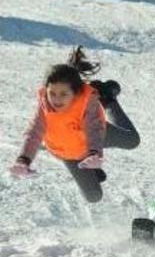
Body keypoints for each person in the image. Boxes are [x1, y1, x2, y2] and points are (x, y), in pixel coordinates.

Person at [10, 47, 140, 202]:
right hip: (70, 153)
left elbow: (94, 130)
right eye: (52, 93)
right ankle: (93, 170)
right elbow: (34, 133)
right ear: (47, 90)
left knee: (132, 140)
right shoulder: (45, 106)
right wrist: (23, 160)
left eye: (64, 94)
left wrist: (94, 154)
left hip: (91, 140)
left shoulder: (85, 103)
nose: (57, 99)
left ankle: (107, 99)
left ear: (75, 93)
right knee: (93, 196)